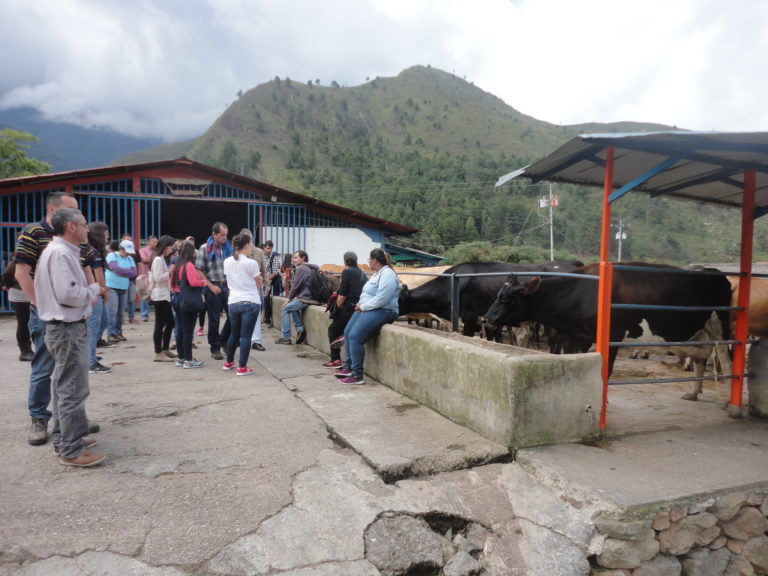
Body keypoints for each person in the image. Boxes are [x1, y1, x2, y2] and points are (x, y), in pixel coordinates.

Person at [14, 190, 87, 445]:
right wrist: (40, 304)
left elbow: (85, 265)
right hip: (50, 314)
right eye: (72, 209)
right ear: (54, 210)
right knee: (44, 368)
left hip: (68, 314)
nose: (79, 215)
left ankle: (68, 424)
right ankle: (39, 417)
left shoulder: (71, 241)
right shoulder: (34, 233)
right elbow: (21, 272)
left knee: (70, 374)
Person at [34, 207, 105, 467]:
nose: (87, 229)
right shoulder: (61, 253)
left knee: (63, 386)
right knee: (72, 389)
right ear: (70, 227)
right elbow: (68, 294)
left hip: (63, 327)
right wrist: (93, 289)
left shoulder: (60, 251)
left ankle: (64, 439)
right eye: (84, 224)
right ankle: (71, 449)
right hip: (67, 328)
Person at [334, 248, 400, 385]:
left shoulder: (387, 274)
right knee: (347, 332)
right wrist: (362, 304)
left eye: (369, 260)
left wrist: (363, 306)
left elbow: (383, 298)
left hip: (385, 310)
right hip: (370, 308)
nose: (369, 262)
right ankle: (349, 366)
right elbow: (369, 294)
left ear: (374, 260)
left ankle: (357, 375)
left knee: (355, 337)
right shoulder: (377, 274)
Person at [222, 233, 263, 375]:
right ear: (246, 245)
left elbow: (230, 278)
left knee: (234, 334)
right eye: (251, 244)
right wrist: (257, 283)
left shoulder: (227, 261)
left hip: (233, 302)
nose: (252, 247)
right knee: (246, 336)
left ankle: (228, 362)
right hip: (250, 301)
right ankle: (242, 367)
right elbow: (258, 281)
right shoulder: (251, 263)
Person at [322, 251, 367, 369]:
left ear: (345, 261)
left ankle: (336, 360)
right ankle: (342, 337)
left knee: (333, 330)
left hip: (349, 306)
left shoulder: (347, 272)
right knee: (345, 329)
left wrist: (336, 308)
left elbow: (342, 295)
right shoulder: (361, 273)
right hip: (360, 306)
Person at [196, 222, 232, 360]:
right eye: (222, 235)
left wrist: (231, 287)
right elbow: (198, 269)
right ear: (214, 234)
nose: (225, 238)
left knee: (233, 316)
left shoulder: (229, 248)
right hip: (212, 287)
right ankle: (215, 348)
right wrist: (211, 286)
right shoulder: (205, 248)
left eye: (226, 235)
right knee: (214, 320)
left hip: (227, 287)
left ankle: (223, 339)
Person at [171, 241, 206, 368]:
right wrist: (202, 282)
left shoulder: (176, 265)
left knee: (180, 329)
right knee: (188, 331)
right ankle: (188, 359)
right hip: (186, 300)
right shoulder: (189, 265)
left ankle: (181, 358)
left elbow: (172, 283)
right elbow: (193, 282)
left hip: (176, 297)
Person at [276, 250, 318, 345]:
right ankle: (299, 329)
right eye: (293, 258)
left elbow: (295, 286)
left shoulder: (302, 268)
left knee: (285, 309)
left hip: (306, 298)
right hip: (313, 297)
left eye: (296, 257)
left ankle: (286, 337)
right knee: (292, 307)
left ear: (303, 258)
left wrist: (288, 299)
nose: (293, 260)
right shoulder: (311, 268)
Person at [86, 222, 112, 374]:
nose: (108, 236)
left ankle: (91, 354)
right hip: (96, 292)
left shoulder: (95, 250)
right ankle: (90, 361)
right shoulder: (93, 251)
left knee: (103, 322)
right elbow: (98, 274)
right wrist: (104, 291)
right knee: (94, 326)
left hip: (96, 291)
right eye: (106, 233)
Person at [237, 228, 267, 352]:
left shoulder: (259, 252)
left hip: (256, 287)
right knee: (240, 314)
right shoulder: (236, 253)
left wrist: (266, 286)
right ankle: (241, 339)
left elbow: (264, 270)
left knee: (256, 314)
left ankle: (256, 340)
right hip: (241, 287)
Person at [150, 235, 177, 362]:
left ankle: (165, 348)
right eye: (171, 247)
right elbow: (158, 278)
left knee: (170, 322)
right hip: (160, 296)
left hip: (165, 295)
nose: (171, 250)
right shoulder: (158, 260)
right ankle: (158, 352)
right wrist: (170, 271)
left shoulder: (161, 258)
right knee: (160, 324)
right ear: (165, 247)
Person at [2, 255, 33, 361]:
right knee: (23, 322)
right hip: (20, 295)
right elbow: (7, 273)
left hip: (31, 294)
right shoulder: (22, 258)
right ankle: (25, 351)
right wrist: (8, 285)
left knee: (32, 322)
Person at [105, 239, 137, 343]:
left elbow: (134, 272)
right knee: (113, 311)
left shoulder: (130, 259)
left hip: (123, 287)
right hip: (111, 286)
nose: (127, 254)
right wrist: (126, 272)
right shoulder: (112, 256)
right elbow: (115, 268)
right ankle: (111, 333)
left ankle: (118, 332)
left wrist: (122, 273)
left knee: (120, 312)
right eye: (126, 251)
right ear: (121, 249)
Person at [138, 235, 158, 322]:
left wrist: (150, 259)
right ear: (149, 242)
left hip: (155, 275)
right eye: (154, 242)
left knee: (156, 295)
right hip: (145, 275)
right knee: (145, 296)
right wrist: (155, 259)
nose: (156, 244)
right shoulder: (142, 250)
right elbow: (144, 259)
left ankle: (158, 314)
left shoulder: (157, 251)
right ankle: (144, 315)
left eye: (156, 242)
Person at [121, 233, 140, 324]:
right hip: (122, 280)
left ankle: (131, 317)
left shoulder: (135, 251)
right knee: (122, 300)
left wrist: (137, 275)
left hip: (132, 279)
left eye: (130, 240)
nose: (128, 242)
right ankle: (121, 318)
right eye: (126, 240)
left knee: (132, 300)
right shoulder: (118, 253)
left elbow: (138, 264)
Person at [262, 240, 281, 326]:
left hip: (274, 279)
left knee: (276, 298)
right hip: (265, 280)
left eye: (270, 248)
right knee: (265, 299)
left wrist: (267, 280)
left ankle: (277, 319)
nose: (269, 250)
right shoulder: (261, 257)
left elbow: (275, 272)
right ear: (264, 248)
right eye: (267, 248)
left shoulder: (274, 257)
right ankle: (267, 318)